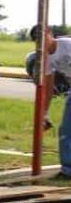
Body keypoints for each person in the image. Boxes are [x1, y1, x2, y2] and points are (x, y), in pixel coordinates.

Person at [30, 24, 71, 176]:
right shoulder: (46, 58)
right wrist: (44, 113)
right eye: (37, 40)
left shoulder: (67, 45)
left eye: (43, 37)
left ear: (50, 34)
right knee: (66, 130)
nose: (42, 42)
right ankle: (68, 171)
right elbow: (48, 87)